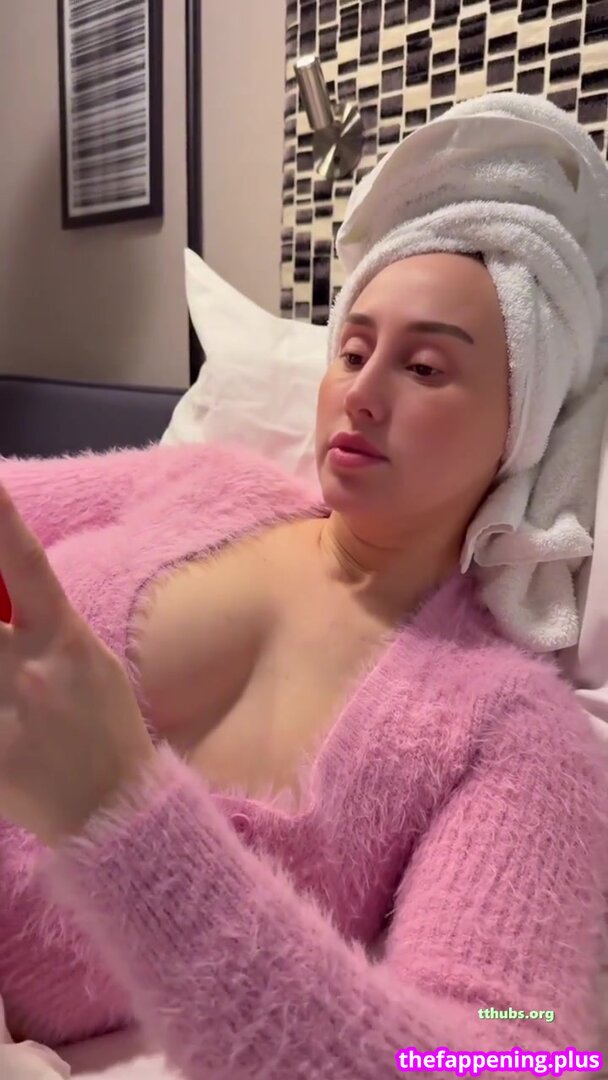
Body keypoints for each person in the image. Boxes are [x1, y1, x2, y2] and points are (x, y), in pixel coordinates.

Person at [0, 93, 607, 1080]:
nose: (361, 392)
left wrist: (126, 821)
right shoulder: (210, 485)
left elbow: (513, 1059)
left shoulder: (507, 731)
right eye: (352, 351)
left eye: (424, 368)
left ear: (521, 426)